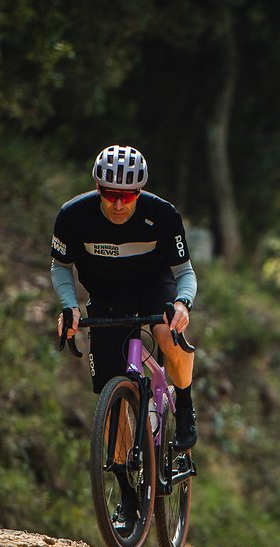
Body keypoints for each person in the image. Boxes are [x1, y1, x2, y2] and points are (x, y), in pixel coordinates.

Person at [50, 144, 198, 449]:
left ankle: (184, 404)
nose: (119, 204)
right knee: (109, 389)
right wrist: (69, 307)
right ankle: (124, 481)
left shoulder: (162, 214)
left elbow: (185, 272)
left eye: (128, 196)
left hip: (154, 288)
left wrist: (183, 303)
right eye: (110, 194)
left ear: (140, 192)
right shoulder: (73, 216)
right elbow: (61, 266)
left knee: (167, 334)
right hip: (107, 294)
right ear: (97, 187)